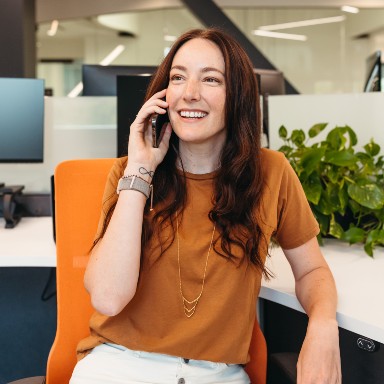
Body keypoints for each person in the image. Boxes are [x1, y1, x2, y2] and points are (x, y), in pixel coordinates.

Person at [69, 28, 341, 384]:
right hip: (119, 364)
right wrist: (140, 171)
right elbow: (107, 298)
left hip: (217, 374)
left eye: (211, 79)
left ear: (238, 95)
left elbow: (311, 271)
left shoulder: (271, 173)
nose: (190, 94)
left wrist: (322, 324)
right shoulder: (129, 173)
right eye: (178, 77)